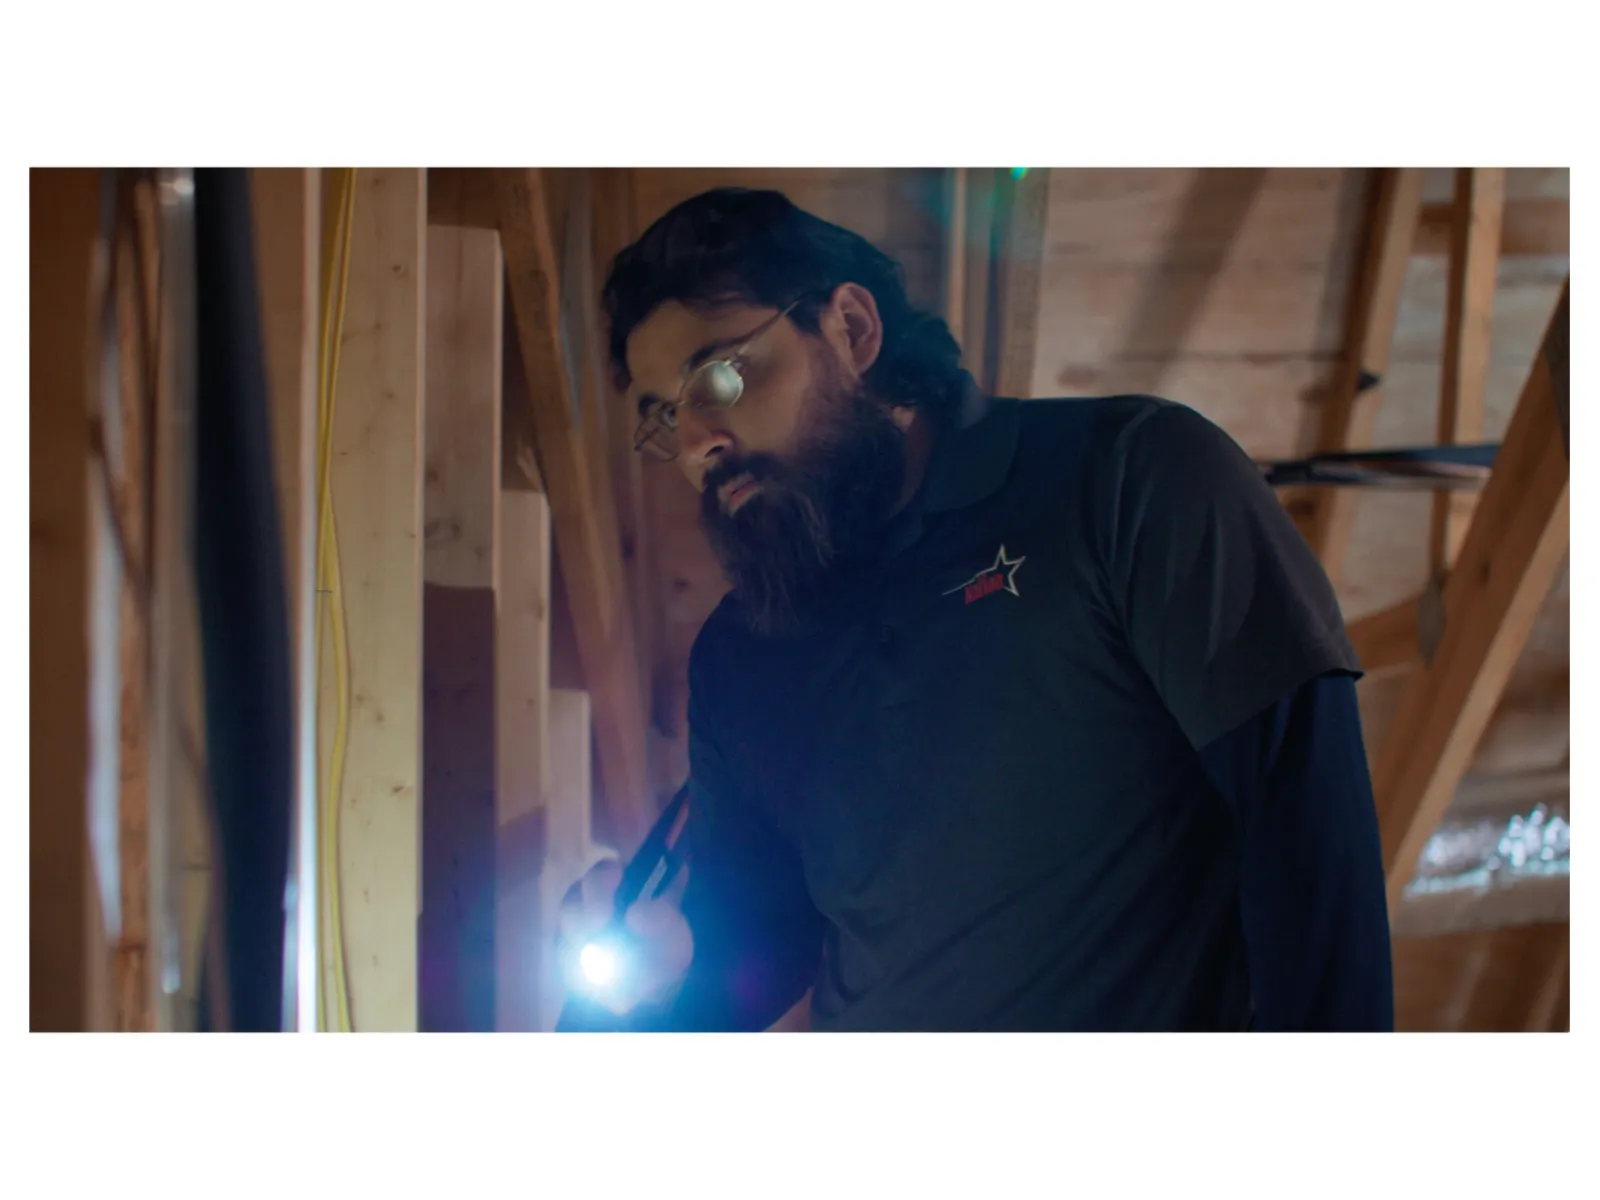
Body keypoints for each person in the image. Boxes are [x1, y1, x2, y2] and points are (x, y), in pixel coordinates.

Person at [556, 186, 1394, 1032]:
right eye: (665, 415)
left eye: (719, 376)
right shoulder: (739, 653)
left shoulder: (1127, 476)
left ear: (850, 329)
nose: (697, 442)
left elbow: (1308, 845)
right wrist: (643, 994)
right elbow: (761, 948)